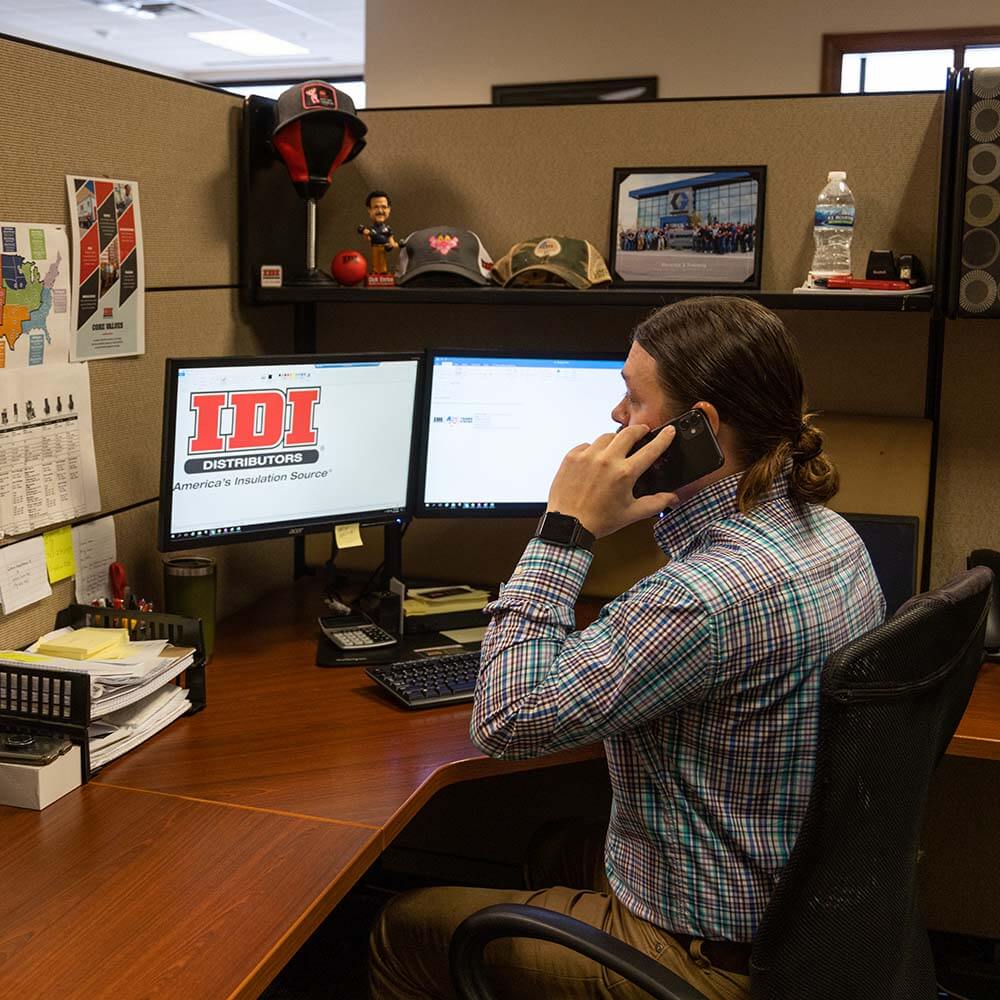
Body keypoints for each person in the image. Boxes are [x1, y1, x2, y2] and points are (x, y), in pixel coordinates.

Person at [369, 296, 885, 1000]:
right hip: (799, 920)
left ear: (696, 427)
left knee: (404, 928)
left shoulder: (698, 597)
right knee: (555, 844)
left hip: (705, 958)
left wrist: (564, 528)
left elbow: (506, 721)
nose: (615, 416)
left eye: (631, 396)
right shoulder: (832, 536)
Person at [358, 190, 398, 274]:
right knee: (375, 260)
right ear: (369, 210)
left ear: (389, 209)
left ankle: (383, 272)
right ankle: (375, 272)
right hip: (374, 247)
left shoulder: (388, 229)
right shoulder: (371, 229)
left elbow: (392, 241)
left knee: (383, 261)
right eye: (376, 207)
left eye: (384, 207)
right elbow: (366, 236)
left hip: (384, 248)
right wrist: (365, 232)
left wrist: (394, 245)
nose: (380, 211)